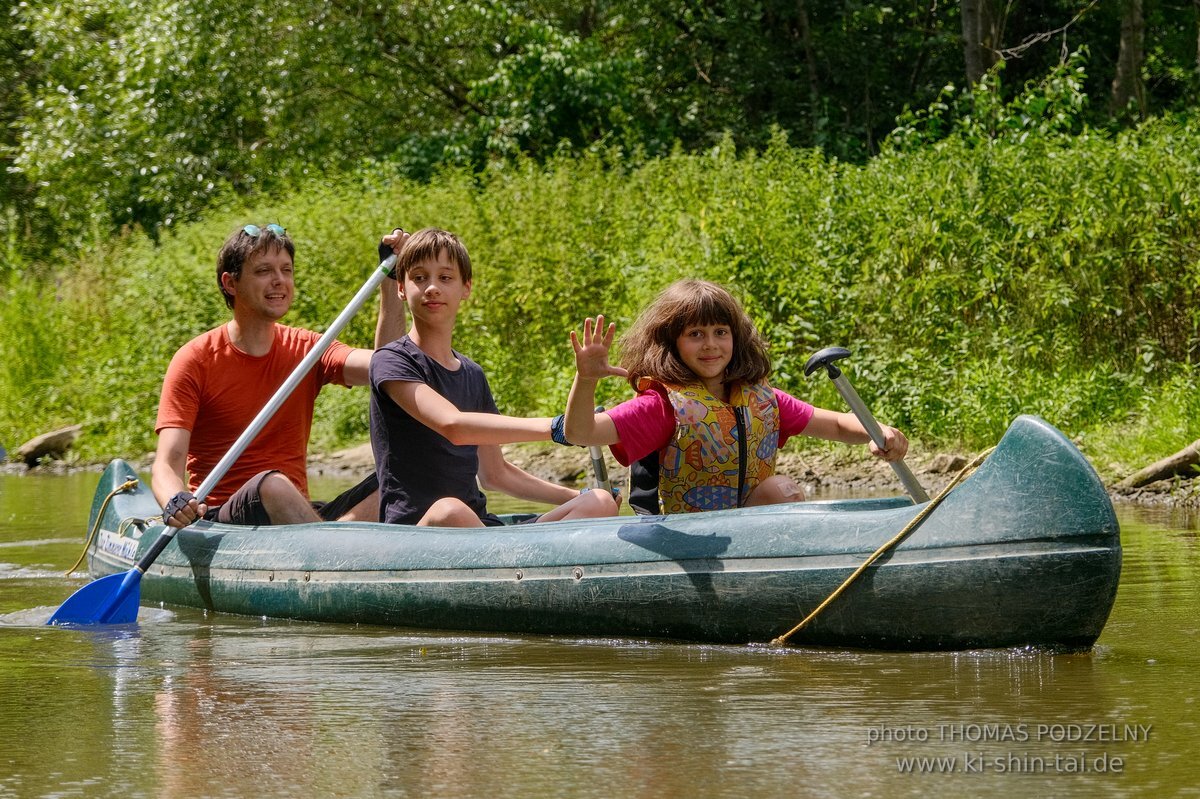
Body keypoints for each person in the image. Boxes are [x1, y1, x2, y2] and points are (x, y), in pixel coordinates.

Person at [561, 279, 911, 515]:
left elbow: (835, 424)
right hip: (680, 540)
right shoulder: (661, 406)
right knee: (782, 490)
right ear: (672, 343)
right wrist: (586, 379)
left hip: (747, 538)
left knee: (781, 490)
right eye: (695, 334)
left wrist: (879, 431)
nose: (711, 344)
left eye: (720, 332)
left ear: (735, 338)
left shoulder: (760, 399)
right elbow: (581, 433)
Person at [152, 223, 408, 527]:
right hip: (222, 518)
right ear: (230, 283)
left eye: (286, 270)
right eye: (263, 271)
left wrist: (390, 279)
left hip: (296, 516)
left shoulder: (309, 348)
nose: (279, 281)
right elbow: (166, 465)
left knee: (404, 476)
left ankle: (329, 542)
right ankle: (329, 543)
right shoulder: (195, 359)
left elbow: (389, 365)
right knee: (273, 486)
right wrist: (175, 501)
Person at [369, 227, 618, 527]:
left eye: (445, 278)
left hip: (481, 530)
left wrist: (577, 494)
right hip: (421, 531)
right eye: (419, 278)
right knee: (451, 510)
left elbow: (495, 474)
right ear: (401, 287)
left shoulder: (472, 374)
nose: (432, 288)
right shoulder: (391, 360)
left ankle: (514, 560)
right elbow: (454, 425)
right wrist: (557, 428)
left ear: (466, 288)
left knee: (599, 503)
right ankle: (513, 561)